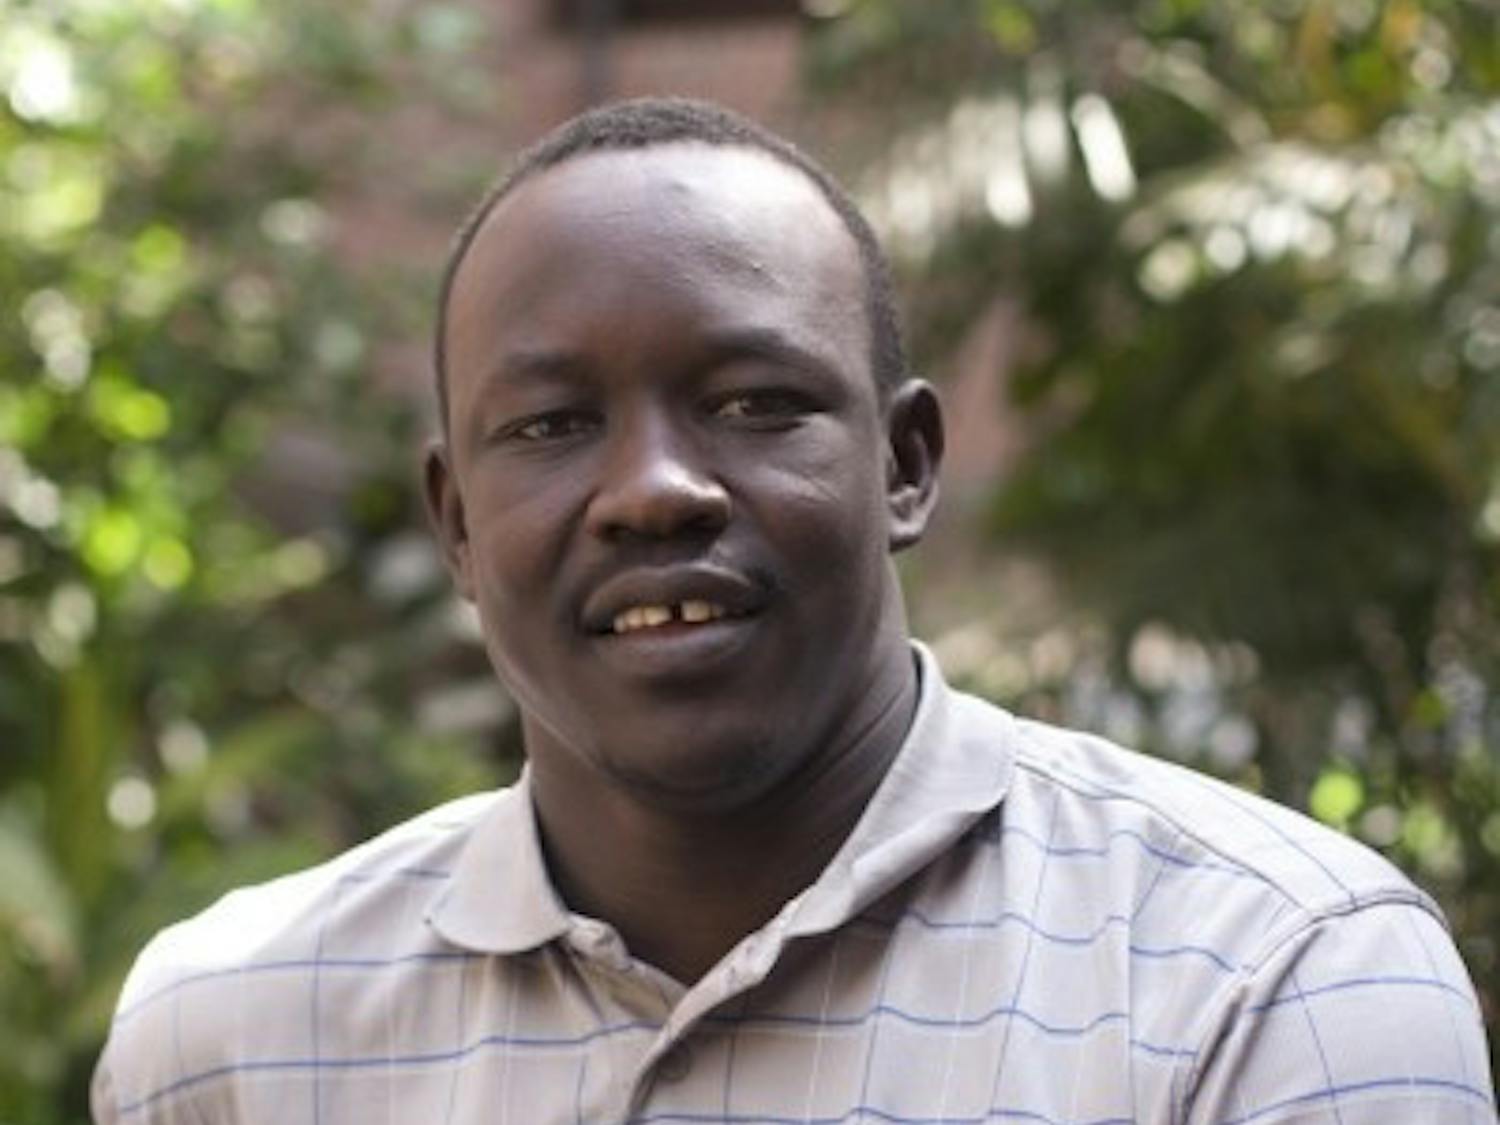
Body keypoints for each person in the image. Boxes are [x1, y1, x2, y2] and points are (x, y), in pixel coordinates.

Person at [93, 97, 1494, 1125]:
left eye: (756, 403)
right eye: (553, 424)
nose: (651, 490)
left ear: (905, 464)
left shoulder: (1266, 980)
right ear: (456, 522)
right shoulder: (230, 1038)